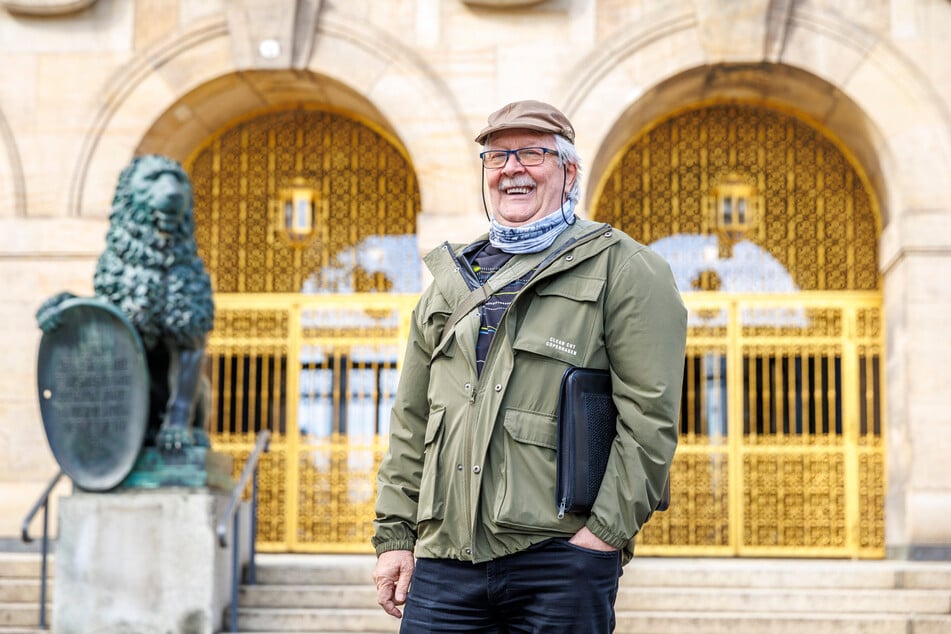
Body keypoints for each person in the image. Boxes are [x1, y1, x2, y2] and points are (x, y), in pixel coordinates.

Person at [371, 100, 687, 632]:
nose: (511, 168)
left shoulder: (626, 268)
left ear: (569, 172)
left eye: (532, 153)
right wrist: (396, 538)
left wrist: (602, 538)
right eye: (497, 157)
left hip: (558, 561)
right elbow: (412, 422)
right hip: (445, 564)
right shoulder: (451, 283)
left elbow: (649, 421)